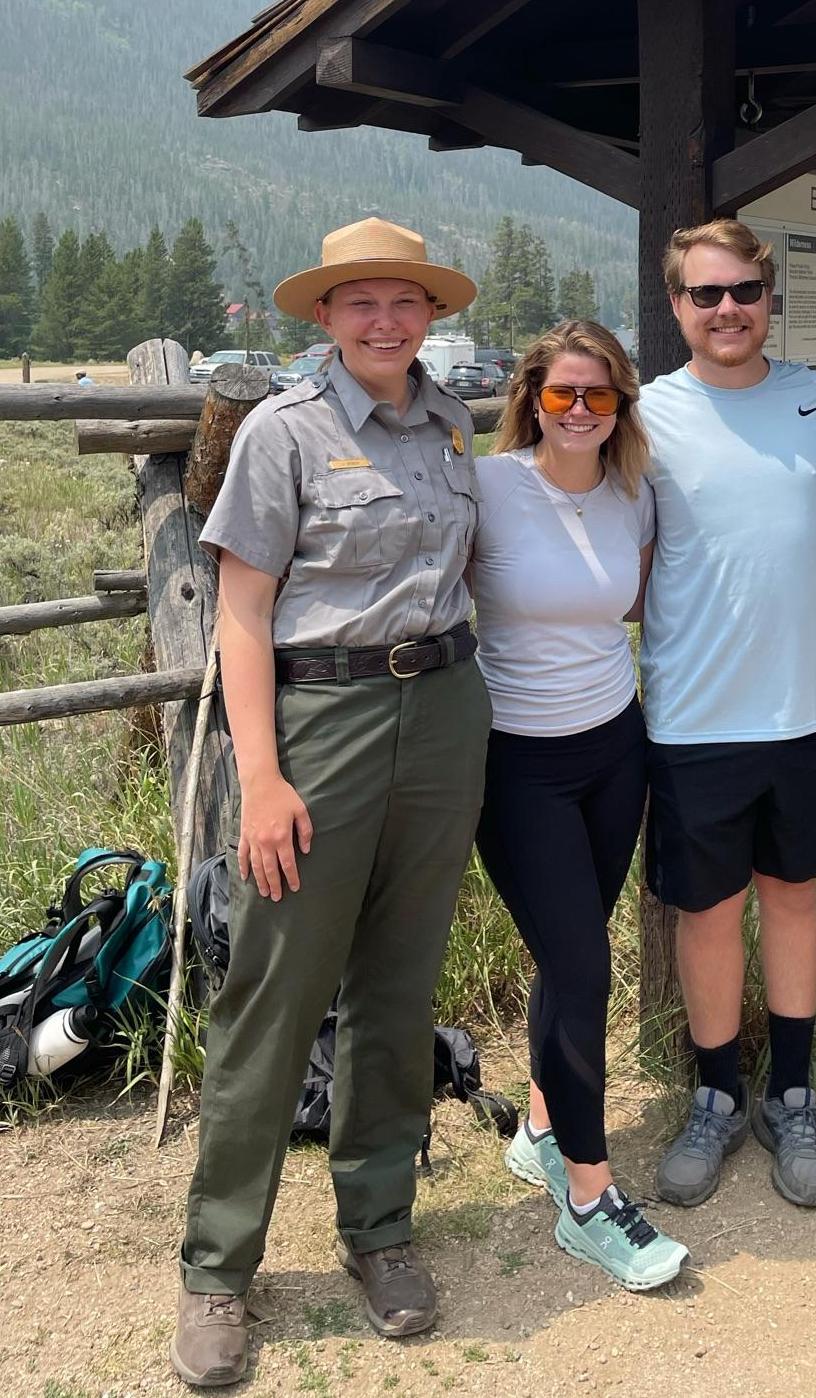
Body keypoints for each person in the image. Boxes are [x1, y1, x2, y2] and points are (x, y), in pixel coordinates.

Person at [172, 218, 490, 1387]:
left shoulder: (452, 424)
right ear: (324, 317)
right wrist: (261, 779)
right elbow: (243, 617)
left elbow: (466, 577)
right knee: (274, 990)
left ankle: (381, 1230)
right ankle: (218, 1267)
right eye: (360, 304)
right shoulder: (281, 436)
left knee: (399, 989)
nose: (385, 322)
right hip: (324, 724)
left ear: (430, 316)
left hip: (445, 714)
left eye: (404, 303)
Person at [640, 219, 816, 1212]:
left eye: (744, 291)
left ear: (771, 296)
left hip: (810, 706)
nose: (727, 309)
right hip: (697, 715)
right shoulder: (647, 418)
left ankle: (793, 1095)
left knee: (797, 897)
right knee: (710, 913)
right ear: (677, 306)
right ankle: (718, 1094)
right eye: (705, 294)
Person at [470, 320, 688, 1290]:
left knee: (575, 950)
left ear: (622, 405)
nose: (580, 411)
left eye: (600, 395)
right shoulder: (487, 489)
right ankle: (590, 1198)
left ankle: (540, 1127)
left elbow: (632, 606)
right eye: (563, 394)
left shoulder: (630, 495)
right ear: (531, 398)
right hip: (515, 763)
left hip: (614, 750)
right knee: (586, 966)